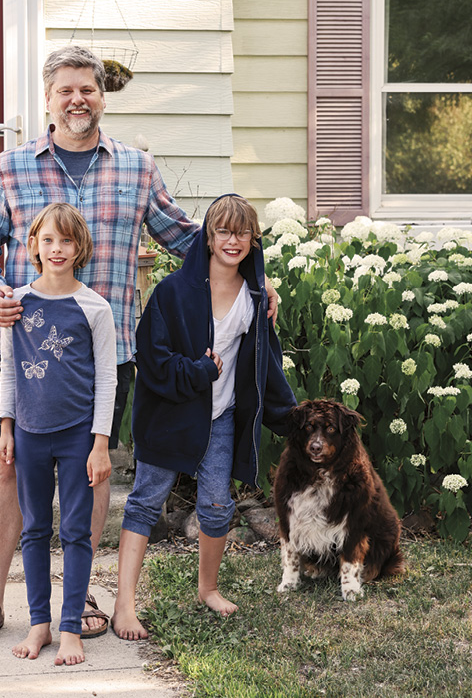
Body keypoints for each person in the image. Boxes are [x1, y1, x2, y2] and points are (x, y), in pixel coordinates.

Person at [0, 45, 278, 645]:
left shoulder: (135, 167)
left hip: (107, 356)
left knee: (96, 468)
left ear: (102, 96)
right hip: (21, 349)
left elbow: (188, 238)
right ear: (47, 99)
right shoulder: (10, 166)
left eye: (88, 89)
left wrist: (256, 280)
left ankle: (81, 593)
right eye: (65, 90)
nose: (78, 99)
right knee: (4, 468)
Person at [111, 194, 296, 640]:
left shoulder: (255, 298)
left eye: (242, 232)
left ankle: (207, 589)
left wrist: (291, 417)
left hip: (221, 417)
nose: (233, 241)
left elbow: (264, 363)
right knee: (144, 502)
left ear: (253, 239)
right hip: (169, 414)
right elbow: (151, 358)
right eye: (223, 232)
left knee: (217, 507)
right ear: (208, 238)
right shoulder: (174, 292)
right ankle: (123, 606)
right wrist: (196, 372)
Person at [0, 202, 116, 665]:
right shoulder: (17, 303)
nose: (57, 249)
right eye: (48, 240)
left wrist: (100, 443)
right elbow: (9, 368)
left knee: (75, 532)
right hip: (27, 432)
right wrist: (6, 427)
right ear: (34, 247)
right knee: (34, 530)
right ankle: (39, 625)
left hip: (77, 437)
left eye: (66, 240)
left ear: (79, 246)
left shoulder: (94, 308)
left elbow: (107, 378)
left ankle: (70, 630)